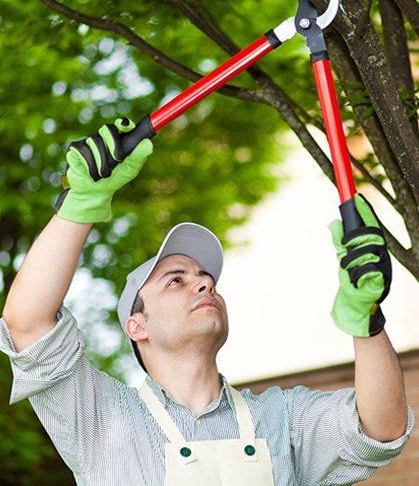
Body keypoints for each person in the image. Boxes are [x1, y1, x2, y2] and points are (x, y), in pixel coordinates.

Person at [0, 119, 414, 485]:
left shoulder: (282, 421)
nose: (203, 285)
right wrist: (81, 205)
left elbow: (381, 428)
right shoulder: (103, 419)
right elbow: (28, 322)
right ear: (136, 326)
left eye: (206, 278)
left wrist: (368, 321)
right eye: (175, 280)